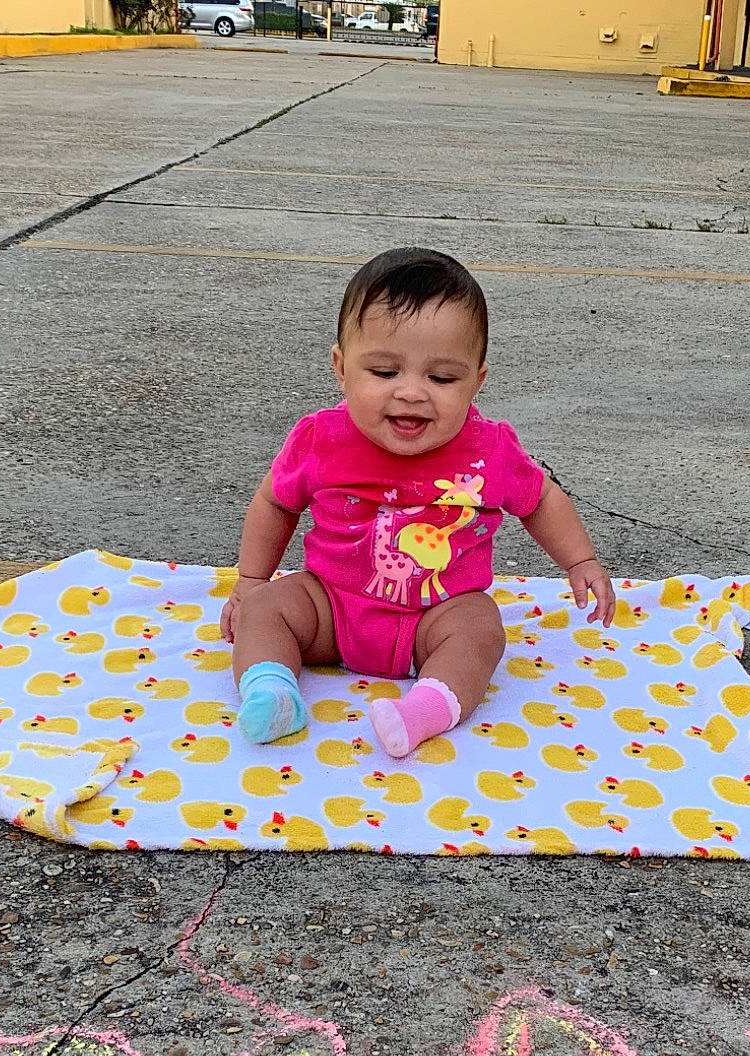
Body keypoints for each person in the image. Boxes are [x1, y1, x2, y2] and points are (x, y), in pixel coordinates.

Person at [219, 247, 614, 759]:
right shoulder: (322, 438)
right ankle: (272, 691)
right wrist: (251, 579)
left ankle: (426, 708)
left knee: (481, 628)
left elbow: (540, 501)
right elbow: (276, 503)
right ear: (341, 369)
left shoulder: (488, 449)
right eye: (384, 372)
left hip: (436, 615)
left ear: (477, 379)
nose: (411, 393)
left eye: (442, 378)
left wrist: (579, 560)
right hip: (331, 609)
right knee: (267, 607)